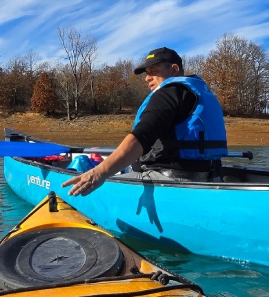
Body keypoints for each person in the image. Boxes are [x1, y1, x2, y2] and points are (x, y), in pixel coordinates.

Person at [63, 47, 227, 196]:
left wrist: (100, 172)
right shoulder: (199, 91)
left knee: (88, 180)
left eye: (154, 71)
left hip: (169, 181)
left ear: (174, 69)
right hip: (209, 177)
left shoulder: (168, 93)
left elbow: (141, 137)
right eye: (147, 73)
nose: (147, 78)